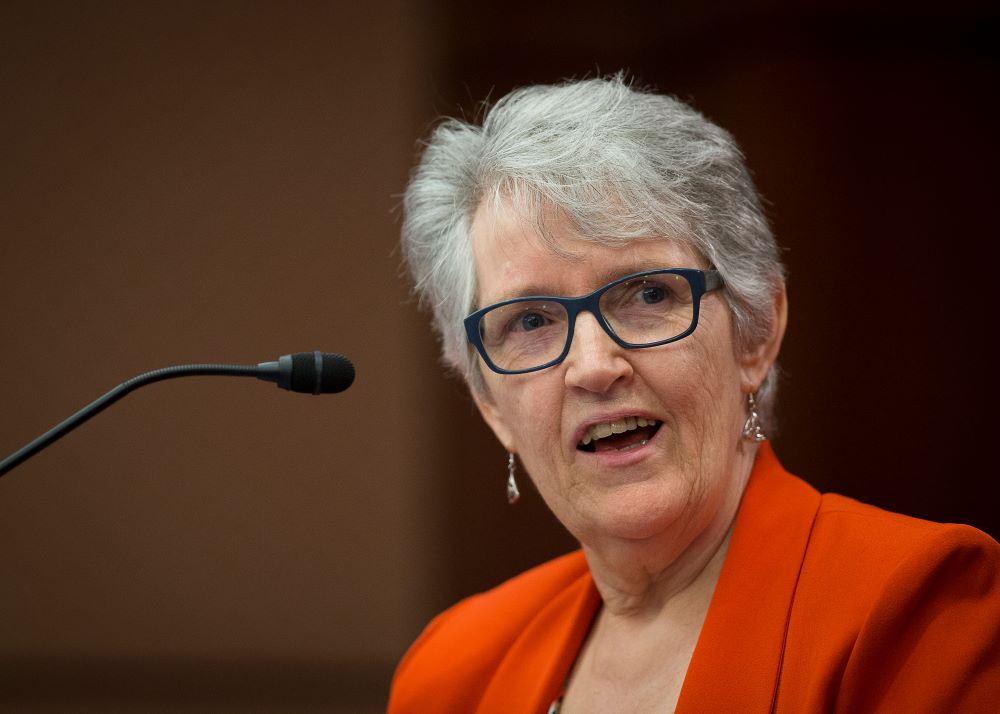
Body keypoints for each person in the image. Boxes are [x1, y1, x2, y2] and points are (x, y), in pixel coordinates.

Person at [387, 75, 1000, 713]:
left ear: (755, 334)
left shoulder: (917, 611)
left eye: (649, 294)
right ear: (490, 404)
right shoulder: (452, 671)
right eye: (531, 321)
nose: (594, 368)